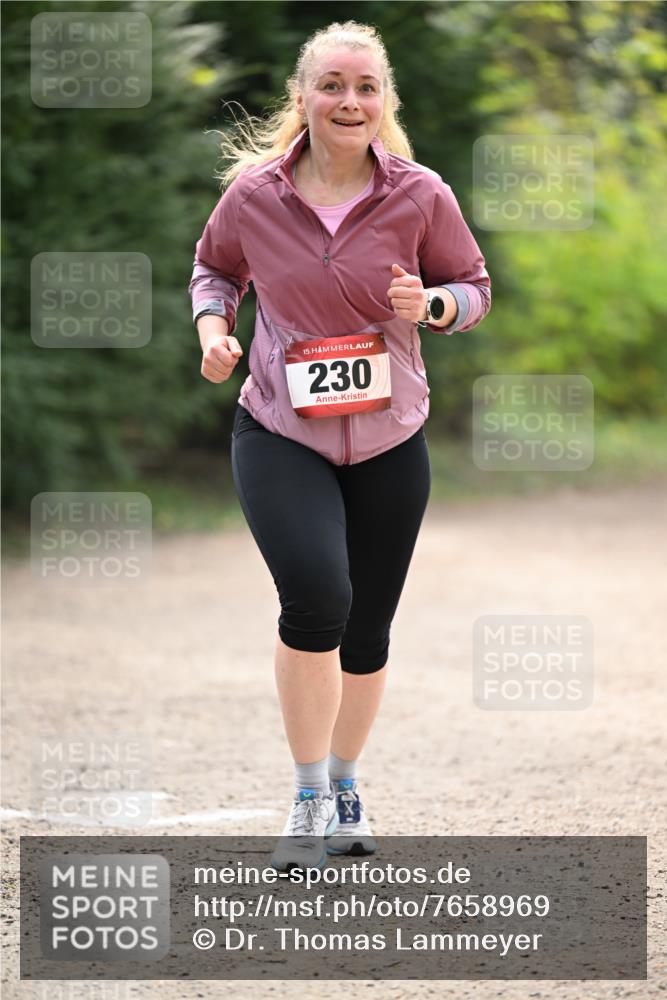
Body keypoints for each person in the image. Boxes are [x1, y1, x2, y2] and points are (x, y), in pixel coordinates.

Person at [188, 20, 491, 872]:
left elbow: (472, 288)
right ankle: (308, 790)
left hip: (391, 436)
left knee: (367, 629)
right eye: (331, 85)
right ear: (304, 98)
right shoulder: (254, 194)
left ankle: (349, 780)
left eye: (364, 87)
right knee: (316, 596)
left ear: (382, 101)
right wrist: (214, 329)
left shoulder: (420, 194)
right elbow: (214, 269)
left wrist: (430, 307)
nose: (348, 100)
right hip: (281, 428)